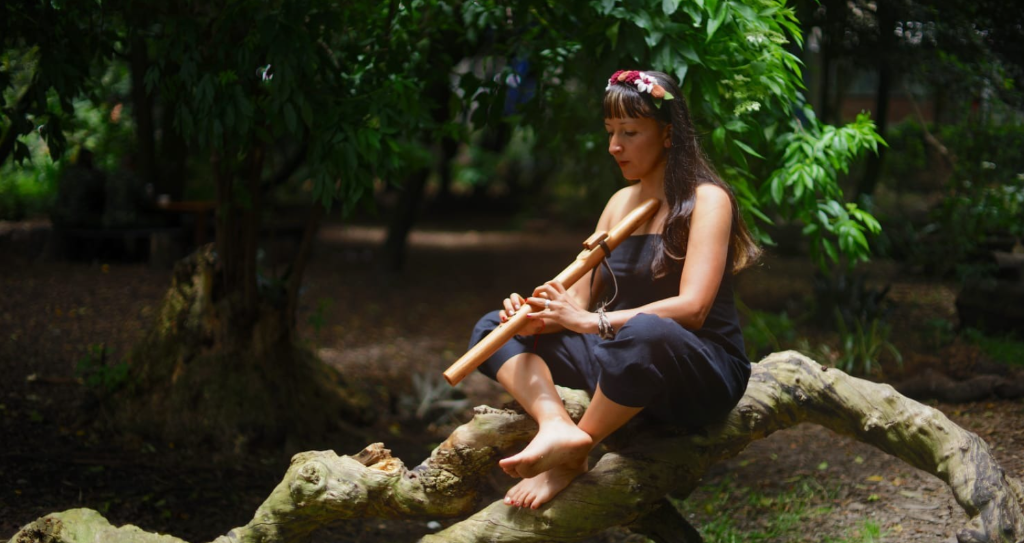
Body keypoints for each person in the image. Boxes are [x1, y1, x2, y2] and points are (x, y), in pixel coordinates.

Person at [468, 70, 761, 510]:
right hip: (621, 357)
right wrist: (539, 317)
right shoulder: (618, 203)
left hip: (698, 370)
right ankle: (556, 428)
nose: (614, 146)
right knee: (494, 327)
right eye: (610, 132)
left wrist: (587, 321)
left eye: (629, 132)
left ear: (667, 134)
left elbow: (694, 308)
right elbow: (578, 303)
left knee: (645, 331)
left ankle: (576, 450)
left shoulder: (708, 199)